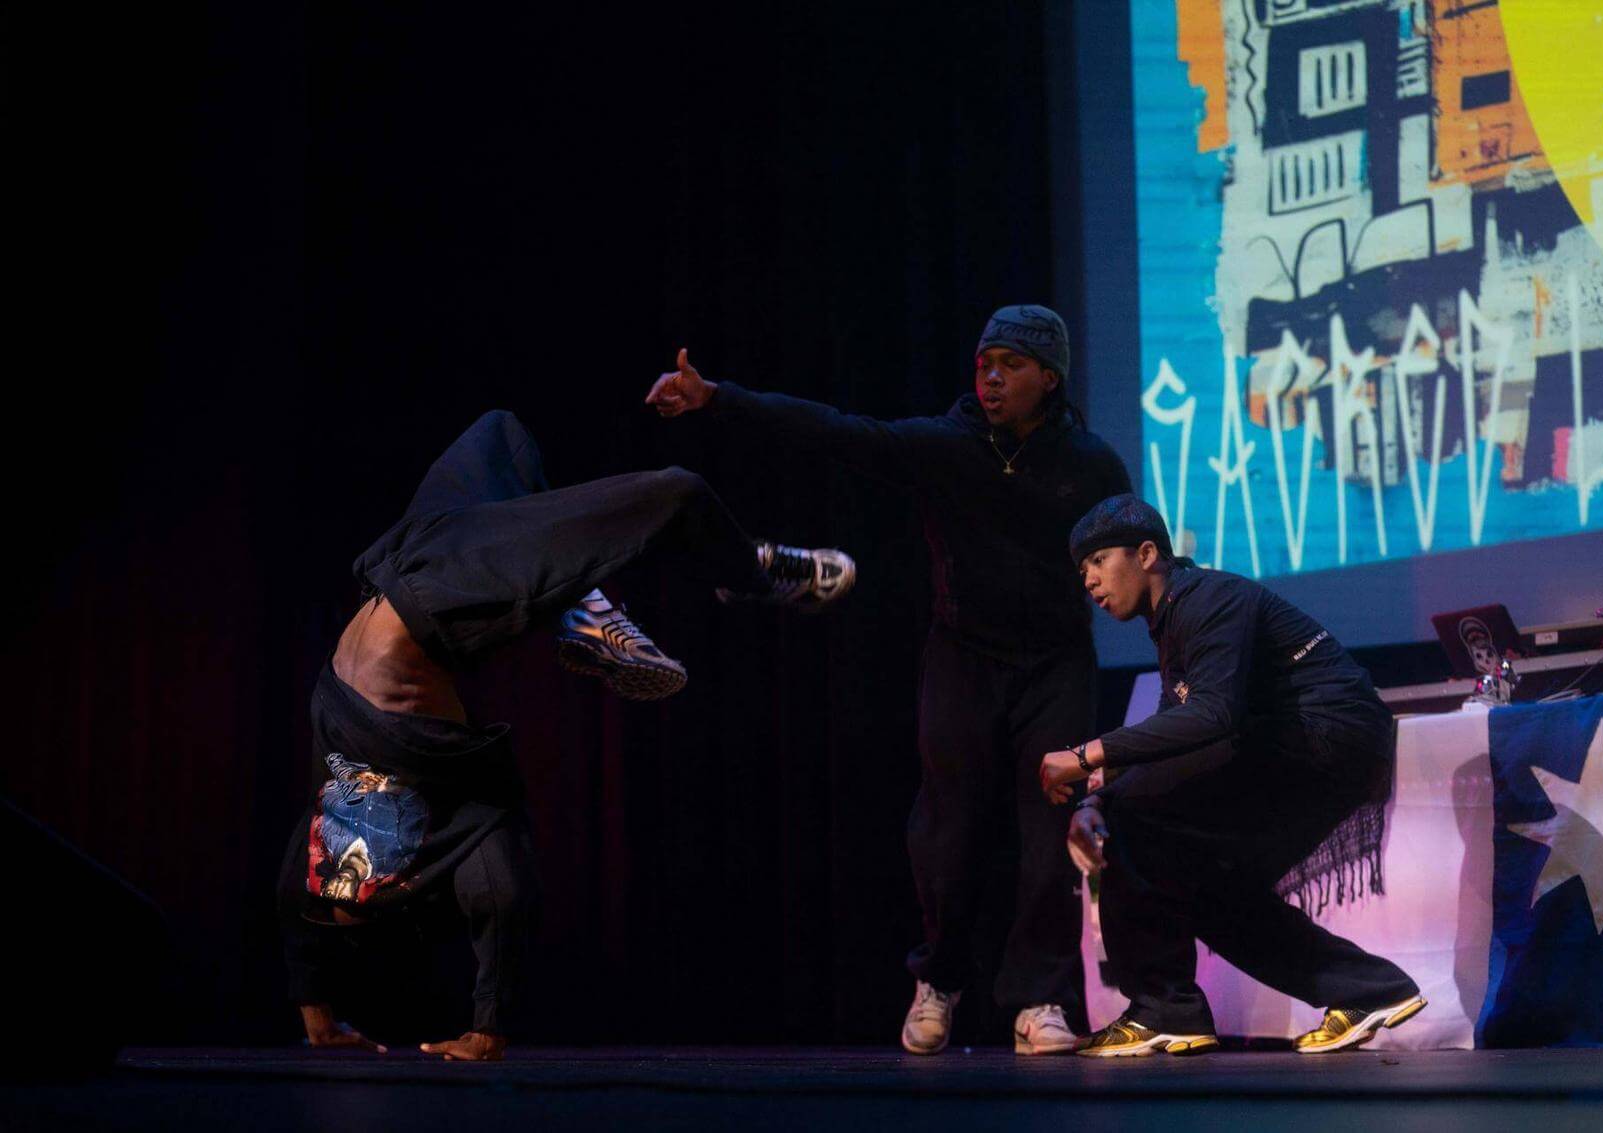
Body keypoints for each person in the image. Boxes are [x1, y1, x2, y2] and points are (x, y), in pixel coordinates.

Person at [278, 409, 854, 1061]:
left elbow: (293, 903)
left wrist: (317, 1016)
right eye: (353, 896)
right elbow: (503, 891)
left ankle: (581, 608)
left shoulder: (343, 799)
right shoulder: (462, 795)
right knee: (678, 490)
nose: (339, 882)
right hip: (447, 595)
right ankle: (747, 574)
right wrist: (487, 1028)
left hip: (404, 556)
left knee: (501, 434)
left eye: (336, 888)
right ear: (400, 876)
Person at [646, 306, 1132, 1055]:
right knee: (947, 830)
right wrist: (719, 396)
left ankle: (1040, 1001)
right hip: (963, 654)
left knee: (1048, 832)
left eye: (1010, 363)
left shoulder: (1092, 462)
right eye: (983, 363)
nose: (992, 376)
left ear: (1050, 376)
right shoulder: (946, 445)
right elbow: (837, 430)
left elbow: (1136, 549)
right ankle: (937, 979)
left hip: (1056, 662)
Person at [1038, 495, 1426, 1057]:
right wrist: (1094, 801)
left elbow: (1213, 715)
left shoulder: (1209, 598)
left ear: (1147, 554)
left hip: (1325, 735)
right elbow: (1178, 727)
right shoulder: (1174, 620)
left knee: (1136, 817)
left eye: (1099, 561)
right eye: (1082, 571)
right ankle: (1369, 991)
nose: (1090, 582)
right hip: (1317, 748)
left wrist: (1088, 754)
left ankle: (1162, 1009)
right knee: (1201, 886)